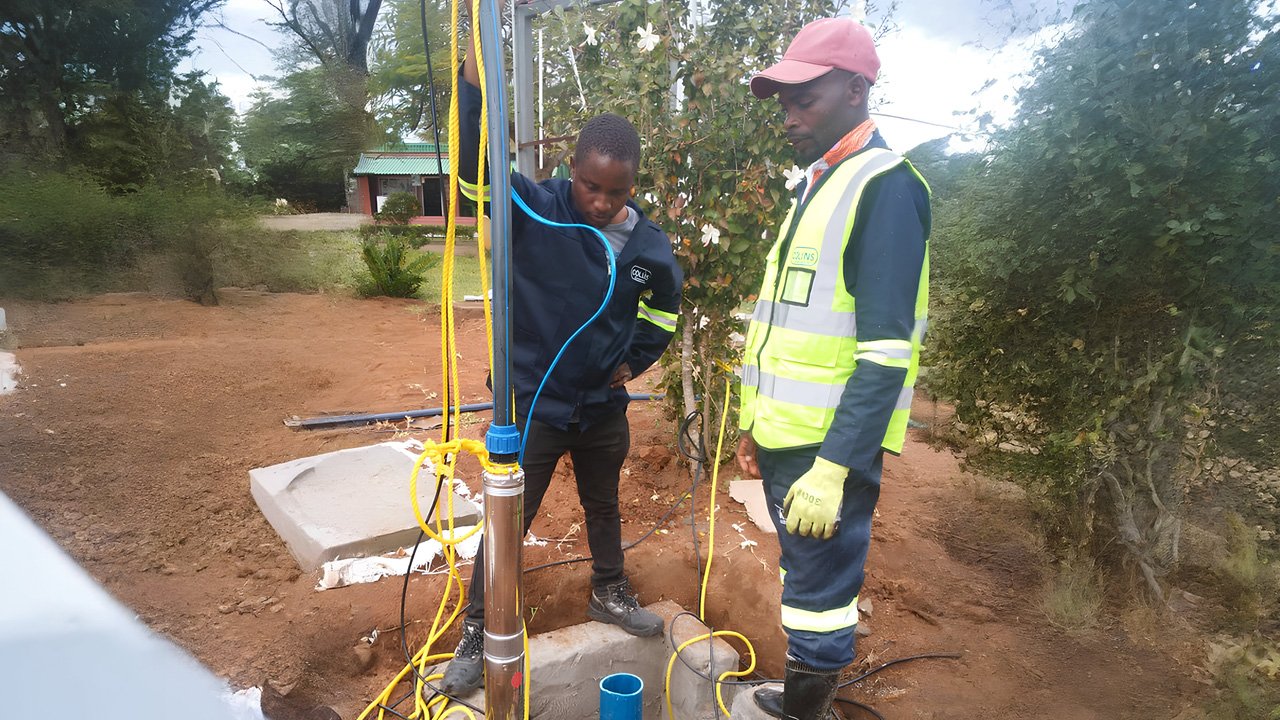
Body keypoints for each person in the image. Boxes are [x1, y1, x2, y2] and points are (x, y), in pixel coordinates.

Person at [438, 15, 683, 695]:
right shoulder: (532, 210)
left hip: (601, 404)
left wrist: (635, 360)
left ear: (633, 186)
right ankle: (478, 630)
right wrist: (474, 77)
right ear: (569, 169)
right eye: (592, 186)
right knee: (509, 517)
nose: (602, 203)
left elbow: (665, 306)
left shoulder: (648, 247)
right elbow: (470, 171)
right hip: (533, 402)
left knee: (604, 504)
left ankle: (609, 590)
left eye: (617, 192)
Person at [735, 17, 931, 720]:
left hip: (828, 452)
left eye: (803, 101)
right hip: (792, 438)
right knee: (803, 581)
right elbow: (786, 327)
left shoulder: (883, 189)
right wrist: (753, 426)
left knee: (820, 600)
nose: (788, 118)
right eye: (784, 104)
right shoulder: (820, 183)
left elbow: (886, 350)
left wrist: (835, 467)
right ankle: (798, 700)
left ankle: (805, 712)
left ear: (855, 91)